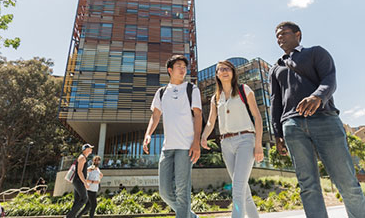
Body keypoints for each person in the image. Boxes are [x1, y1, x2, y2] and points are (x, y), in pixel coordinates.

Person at [270, 21, 365, 218]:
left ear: (298, 34)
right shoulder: (276, 67)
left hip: (325, 120)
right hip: (292, 126)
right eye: (277, 35)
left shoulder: (316, 52)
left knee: (346, 180)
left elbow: (330, 79)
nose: (279, 37)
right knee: (308, 185)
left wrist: (318, 97)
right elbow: (275, 101)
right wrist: (277, 133)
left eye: (284, 33)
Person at [201, 60, 264, 218]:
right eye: (220, 69)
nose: (224, 71)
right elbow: (211, 121)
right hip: (226, 144)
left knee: (237, 187)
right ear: (217, 75)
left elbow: (257, 117)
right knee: (244, 191)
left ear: (233, 72)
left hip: (245, 140)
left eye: (227, 68)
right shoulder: (216, 98)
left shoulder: (244, 90)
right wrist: (203, 136)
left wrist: (258, 145)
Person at [143, 54, 202, 218]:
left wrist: (196, 142)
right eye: (179, 66)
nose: (183, 69)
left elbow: (198, 115)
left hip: (186, 147)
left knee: (183, 192)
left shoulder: (192, 89)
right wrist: (148, 134)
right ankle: (191, 216)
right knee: (165, 192)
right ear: (170, 70)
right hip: (167, 148)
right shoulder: (162, 92)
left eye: (184, 67)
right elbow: (155, 116)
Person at [66, 143, 93, 218]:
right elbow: (79, 172)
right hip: (79, 181)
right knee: (84, 198)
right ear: (85, 149)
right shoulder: (82, 158)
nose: (91, 149)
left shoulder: (83, 158)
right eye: (90, 148)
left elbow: (81, 170)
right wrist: (85, 183)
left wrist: (88, 169)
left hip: (77, 181)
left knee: (77, 200)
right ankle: (69, 216)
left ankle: (71, 216)